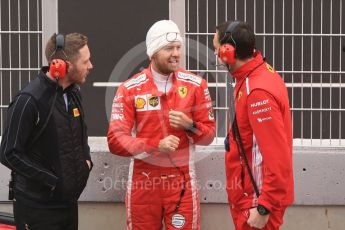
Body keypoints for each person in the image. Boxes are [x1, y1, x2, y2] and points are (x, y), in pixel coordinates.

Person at [108, 20, 216, 230]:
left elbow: (209, 135)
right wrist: (156, 145)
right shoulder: (129, 89)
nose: (176, 53)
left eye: (178, 47)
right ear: (153, 52)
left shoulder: (196, 85)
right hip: (143, 183)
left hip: (182, 182)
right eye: (168, 48)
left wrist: (190, 126)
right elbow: (115, 141)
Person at [0, 32, 93, 230]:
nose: (90, 66)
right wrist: (52, 180)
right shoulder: (28, 100)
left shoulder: (74, 93)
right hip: (37, 209)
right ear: (63, 65)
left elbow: (81, 134)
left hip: (68, 204)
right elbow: (8, 153)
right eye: (85, 61)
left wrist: (87, 162)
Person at [213, 21, 294, 230]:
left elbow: (278, 158)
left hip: (256, 203)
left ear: (228, 52)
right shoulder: (255, 73)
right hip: (252, 197)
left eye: (216, 50)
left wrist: (263, 207)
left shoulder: (257, 92)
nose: (216, 56)